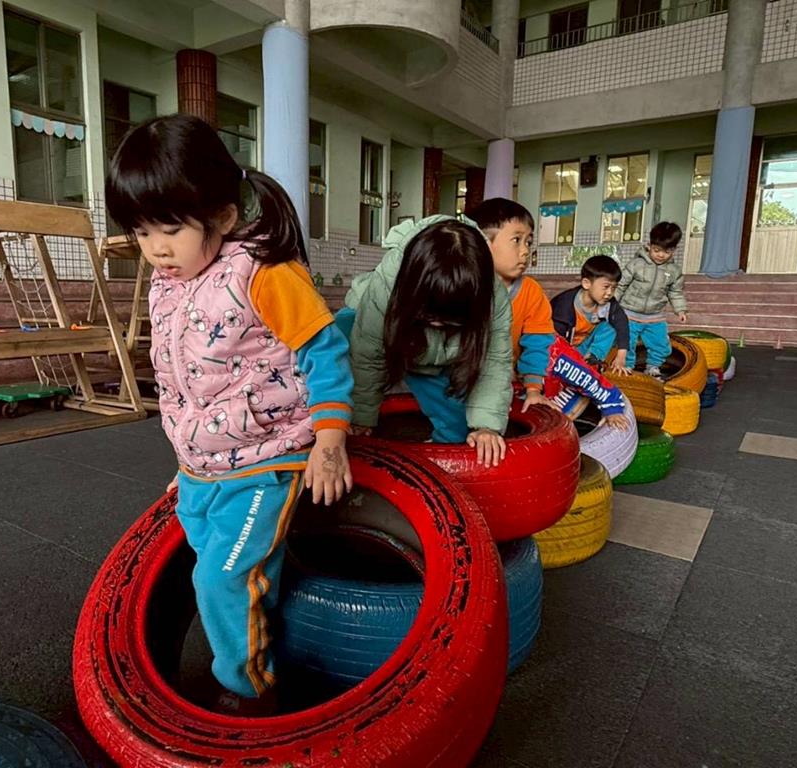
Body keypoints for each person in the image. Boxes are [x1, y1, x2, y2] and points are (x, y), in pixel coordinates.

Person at [106, 114, 353, 714]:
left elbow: (323, 349)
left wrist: (329, 441)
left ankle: (250, 691)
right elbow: (184, 381)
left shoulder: (264, 272)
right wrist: (188, 461)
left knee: (222, 578)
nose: (156, 248)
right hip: (204, 466)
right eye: (140, 232)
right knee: (215, 566)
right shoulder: (168, 281)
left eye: (170, 228)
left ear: (220, 215)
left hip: (268, 457)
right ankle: (260, 634)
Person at [340, 215, 513, 468]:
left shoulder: (492, 297)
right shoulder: (388, 284)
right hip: (389, 336)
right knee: (339, 335)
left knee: (458, 432)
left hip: (436, 359)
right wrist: (361, 417)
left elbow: (495, 362)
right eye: (431, 316)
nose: (438, 325)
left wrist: (487, 426)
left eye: (450, 320)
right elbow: (368, 355)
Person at [468, 197, 556, 413]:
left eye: (528, 242)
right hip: (465, 379)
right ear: (483, 244)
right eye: (516, 240)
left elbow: (537, 343)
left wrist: (533, 389)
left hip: (509, 379)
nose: (525, 251)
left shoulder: (532, 291)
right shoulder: (464, 286)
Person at [615, 221, 689, 379]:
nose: (661, 255)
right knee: (627, 343)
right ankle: (627, 367)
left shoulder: (674, 271)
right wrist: (612, 305)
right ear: (649, 246)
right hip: (629, 313)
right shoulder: (636, 264)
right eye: (657, 250)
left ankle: (653, 367)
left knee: (661, 344)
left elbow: (675, 292)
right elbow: (621, 285)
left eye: (667, 252)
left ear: (674, 250)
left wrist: (680, 310)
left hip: (655, 316)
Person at [551, 255, 630, 374]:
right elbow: (554, 341)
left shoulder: (609, 304)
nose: (610, 293)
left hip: (583, 348)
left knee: (611, 327)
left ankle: (592, 360)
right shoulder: (563, 305)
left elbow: (622, 324)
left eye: (614, 288)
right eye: (606, 287)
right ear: (586, 283)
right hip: (561, 351)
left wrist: (621, 357)